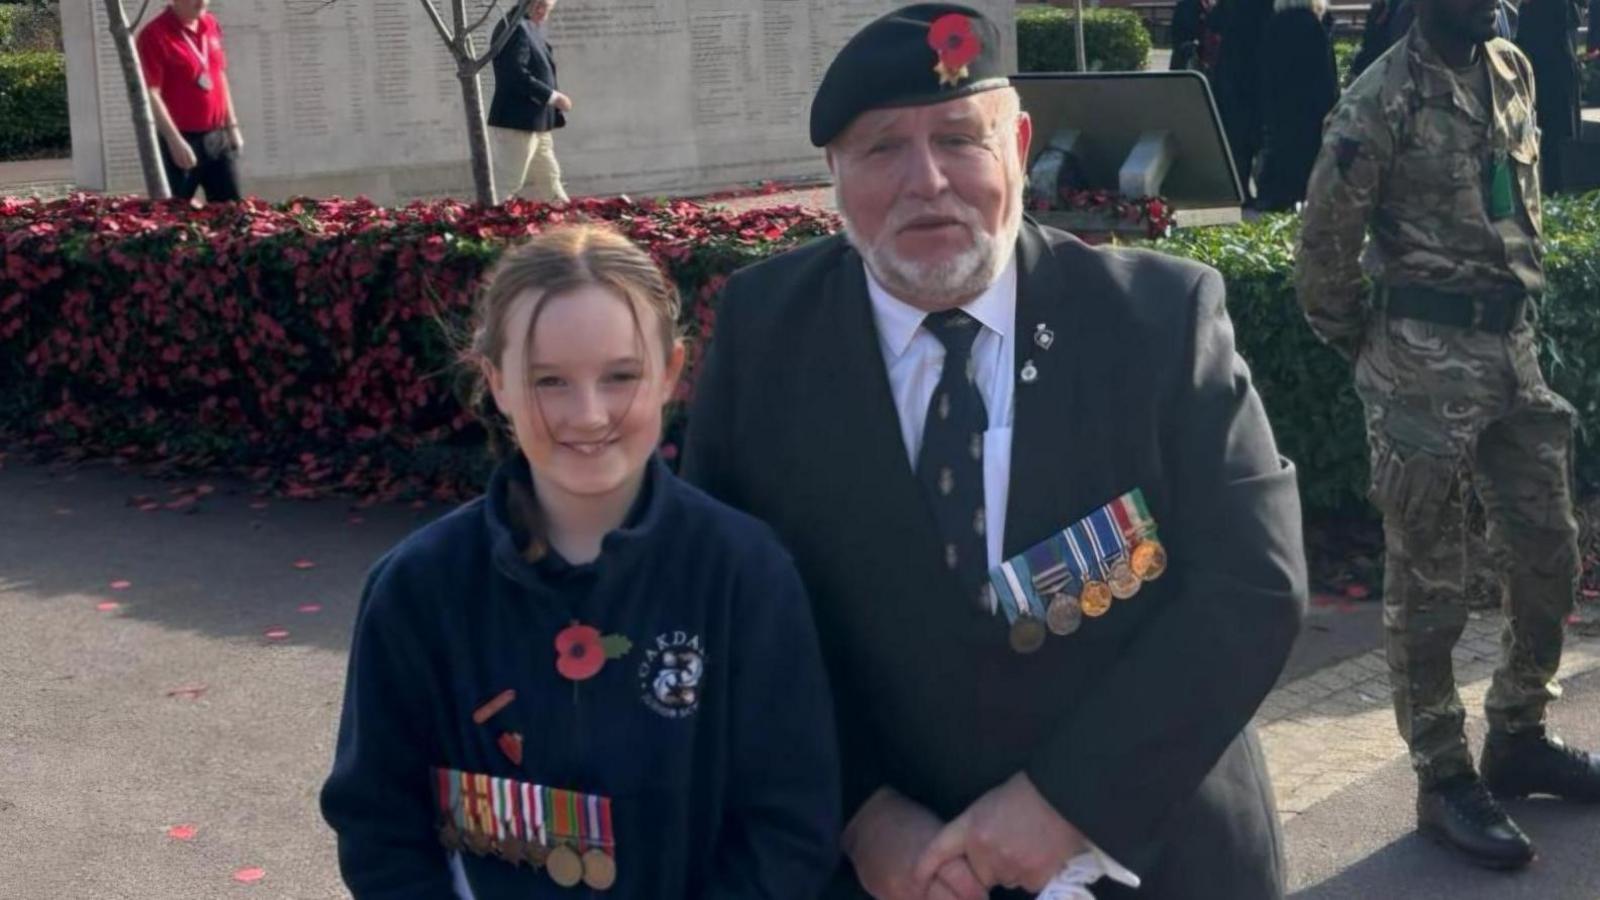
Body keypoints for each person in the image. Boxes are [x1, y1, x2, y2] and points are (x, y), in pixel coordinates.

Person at [683, 5, 1306, 898]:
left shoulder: (1158, 320)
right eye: (881, 148)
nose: (926, 180)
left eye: (958, 139)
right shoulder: (764, 334)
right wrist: (858, 811)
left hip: (1148, 853)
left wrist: (1063, 805)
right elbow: (725, 605)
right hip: (887, 873)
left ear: (1018, 142)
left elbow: (1253, 582)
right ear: (833, 173)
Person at [319, 225, 840, 898]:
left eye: (621, 376)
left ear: (672, 372)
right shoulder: (418, 591)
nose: (588, 415)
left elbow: (790, 824)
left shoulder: (744, 575)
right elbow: (379, 825)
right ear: (496, 383)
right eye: (549, 381)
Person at [1297, 0, 1600, 870]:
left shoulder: (1512, 70)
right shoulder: (1378, 101)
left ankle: (1519, 734)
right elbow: (1323, 251)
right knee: (1428, 575)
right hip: (1419, 364)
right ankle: (1442, 775)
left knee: (1549, 547)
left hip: (1511, 353)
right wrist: (1377, 348)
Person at [135, 0, 243, 202]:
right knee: (175, 216)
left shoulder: (210, 24)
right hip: (181, 140)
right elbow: (151, 93)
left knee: (232, 212)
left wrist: (232, 126)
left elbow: (219, 75)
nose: (202, 1)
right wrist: (174, 140)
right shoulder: (154, 34)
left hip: (217, 138)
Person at [1257, 0, 1340, 211]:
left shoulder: (1274, 24)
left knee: (1282, 149)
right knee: (1307, 154)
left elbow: (1266, 69)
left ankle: (1276, 196)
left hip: (1281, 104)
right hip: (1309, 106)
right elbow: (1325, 75)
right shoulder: (1312, 26)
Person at [487, 0, 571, 204]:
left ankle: (566, 218)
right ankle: (486, 227)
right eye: (543, 7)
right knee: (508, 181)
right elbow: (515, 75)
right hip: (518, 121)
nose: (544, 13)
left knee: (549, 175)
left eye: (548, 8)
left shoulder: (525, 26)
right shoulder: (514, 28)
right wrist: (553, 96)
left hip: (535, 121)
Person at [1514, 0, 1584, 192]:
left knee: (1550, 146)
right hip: (1556, 77)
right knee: (1556, 146)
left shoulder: (1535, 8)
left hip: (1546, 80)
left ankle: (1553, 191)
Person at [1212, 0, 1276, 203]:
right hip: (1258, 72)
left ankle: (1240, 189)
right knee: (1259, 135)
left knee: (1238, 138)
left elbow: (1215, 22)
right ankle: (1260, 189)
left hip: (1233, 73)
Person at [1169, 0, 1225, 75]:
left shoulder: (1221, 7)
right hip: (1187, 63)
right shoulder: (1184, 7)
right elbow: (1177, 37)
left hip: (1216, 65)